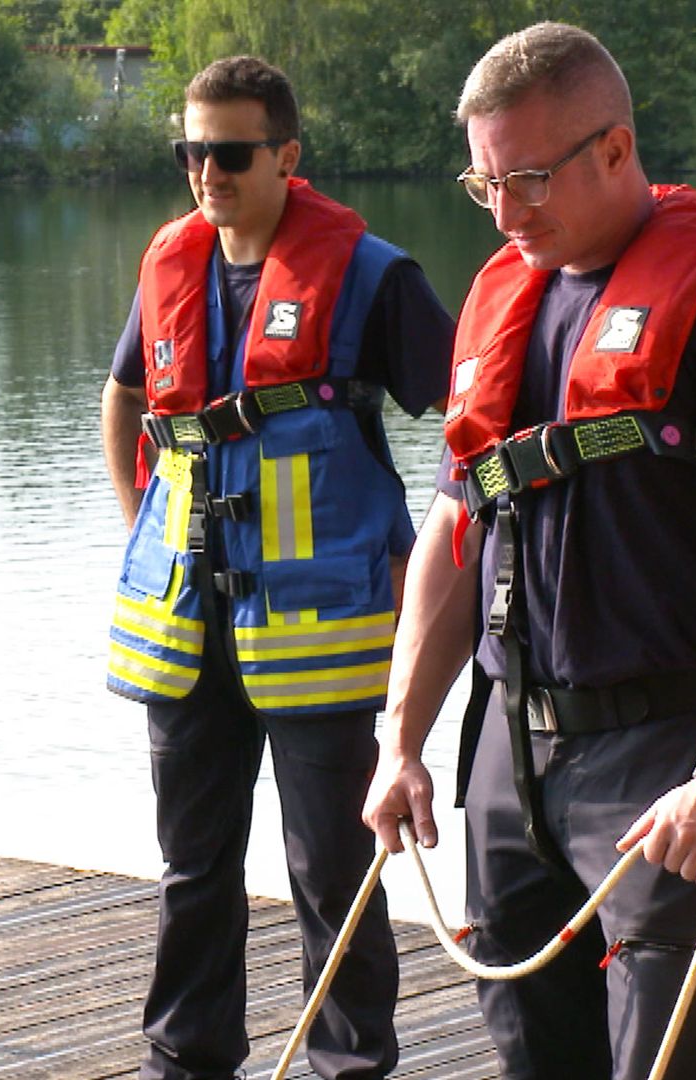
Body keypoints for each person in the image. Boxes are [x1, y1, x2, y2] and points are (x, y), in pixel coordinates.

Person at [361, 22, 696, 1079]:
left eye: (529, 178)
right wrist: (402, 740)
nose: (504, 211)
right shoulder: (500, 305)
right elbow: (454, 528)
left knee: (673, 1066)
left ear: (616, 149)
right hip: (508, 754)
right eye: (483, 183)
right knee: (532, 1060)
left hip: (663, 755)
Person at [100, 55, 455, 1080]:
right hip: (186, 626)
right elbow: (125, 399)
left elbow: (472, 425)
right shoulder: (171, 263)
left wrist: (429, 544)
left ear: (288, 154)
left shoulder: (371, 275)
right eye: (189, 152)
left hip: (322, 627)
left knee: (332, 872)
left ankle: (348, 1066)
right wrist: (144, 525)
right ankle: (184, 1061)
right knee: (190, 872)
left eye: (229, 152)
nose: (206, 172)